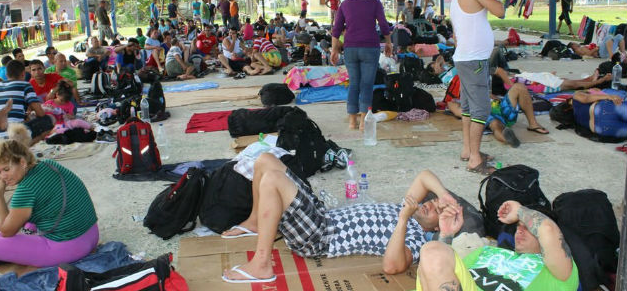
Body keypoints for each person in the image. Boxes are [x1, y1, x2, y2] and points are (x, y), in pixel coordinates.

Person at [221, 153, 482, 283]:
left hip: (318, 236)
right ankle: (256, 222)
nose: (428, 205)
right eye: (432, 201)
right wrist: (445, 195)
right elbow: (425, 176)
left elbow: (392, 266)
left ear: (437, 226)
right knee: (265, 160)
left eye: (435, 209)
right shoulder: (409, 208)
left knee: (272, 180)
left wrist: (403, 220)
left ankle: (262, 264)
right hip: (322, 215)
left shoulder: (417, 239)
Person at [415, 200, 578, 291]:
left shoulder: (559, 272)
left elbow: (548, 228)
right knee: (432, 250)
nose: (520, 231)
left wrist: (520, 211)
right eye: (518, 226)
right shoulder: (486, 252)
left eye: (528, 228)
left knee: (433, 251)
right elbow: (440, 276)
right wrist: (447, 235)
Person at [0, 138, 99, 267]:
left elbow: (6, 232)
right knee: (24, 215)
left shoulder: (26, 190)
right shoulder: (48, 164)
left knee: (1, 236)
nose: (2, 177)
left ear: (22, 162)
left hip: (68, 247)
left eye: (6, 169)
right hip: (91, 234)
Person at [450, 0, 505, 175]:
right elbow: (499, 10)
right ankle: (474, 159)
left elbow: (457, 33)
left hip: (466, 57)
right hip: (473, 60)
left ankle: (468, 150)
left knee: (468, 107)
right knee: (481, 109)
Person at [331, 0, 392, 131]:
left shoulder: (345, 4)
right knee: (366, 85)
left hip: (350, 48)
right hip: (370, 47)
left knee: (354, 84)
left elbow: (336, 29)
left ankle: (352, 121)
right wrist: (389, 42)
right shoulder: (374, 2)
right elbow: (384, 24)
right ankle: (364, 122)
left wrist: (334, 49)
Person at [0, 60, 52, 143]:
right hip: (15, 135)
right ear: (23, 74)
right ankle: (24, 146)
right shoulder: (25, 85)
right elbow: (40, 113)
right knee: (50, 119)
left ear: (6, 74)